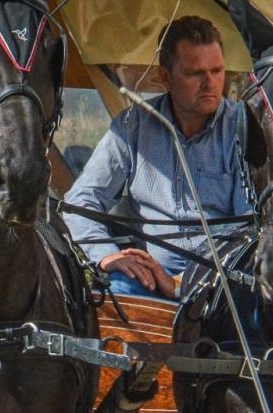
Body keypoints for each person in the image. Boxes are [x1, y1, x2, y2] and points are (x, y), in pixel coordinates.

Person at [62, 15, 252, 299]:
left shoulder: (242, 128)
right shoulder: (133, 125)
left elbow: (248, 230)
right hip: (149, 278)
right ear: (165, 77)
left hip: (222, 282)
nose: (209, 83)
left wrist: (180, 283)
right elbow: (79, 202)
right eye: (195, 73)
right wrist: (107, 256)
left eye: (217, 70)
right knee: (121, 289)